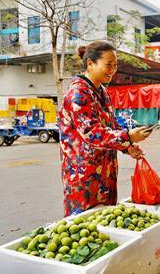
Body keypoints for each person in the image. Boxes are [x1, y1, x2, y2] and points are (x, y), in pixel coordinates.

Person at [59, 41, 151, 216]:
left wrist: (128, 147)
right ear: (90, 64)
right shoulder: (78, 93)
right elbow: (92, 133)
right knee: (83, 226)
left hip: (106, 173)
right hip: (83, 176)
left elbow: (112, 126)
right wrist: (128, 137)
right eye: (108, 65)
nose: (113, 70)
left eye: (115, 65)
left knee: (105, 222)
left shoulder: (102, 91)